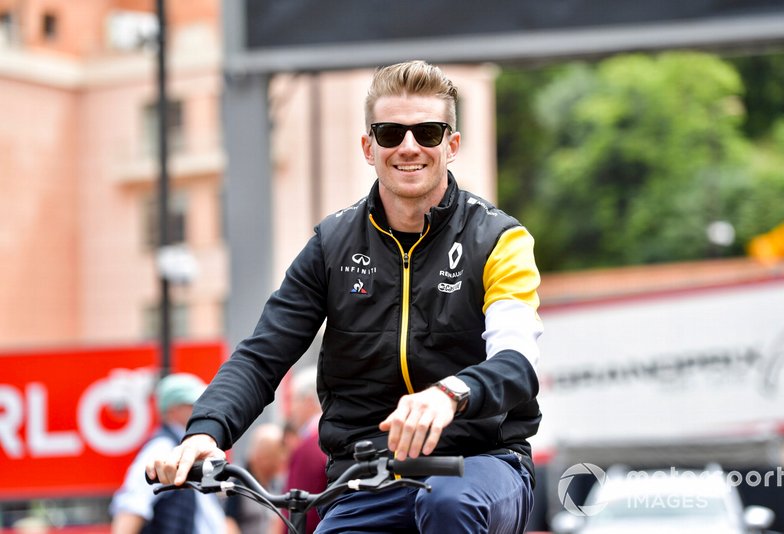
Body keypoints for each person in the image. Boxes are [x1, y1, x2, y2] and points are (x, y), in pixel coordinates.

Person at [148, 59, 543, 534]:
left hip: (479, 462)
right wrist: (206, 432)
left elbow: (517, 360)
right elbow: (262, 355)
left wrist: (449, 394)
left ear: (452, 145)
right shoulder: (331, 244)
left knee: (448, 506)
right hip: (368, 476)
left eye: (429, 133)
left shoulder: (499, 239)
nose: (409, 147)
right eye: (391, 133)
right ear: (368, 146)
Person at [111, 373, 225, 534]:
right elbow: (132, 505)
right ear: (173, 410)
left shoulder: (187, 446)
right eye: (194, 404)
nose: (202, 410)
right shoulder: (162, 447)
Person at [281, 366, 327, 533]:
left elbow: (296, 512)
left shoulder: (309, 448)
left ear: (308, 402)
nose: (291, 410)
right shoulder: (331, 440)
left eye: (293, 400)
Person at [224, 423, 287, 534]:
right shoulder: (237, 481)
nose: (281, 460)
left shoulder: (276, 483)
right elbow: (228, 522)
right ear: (261, 457)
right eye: (275, 456)